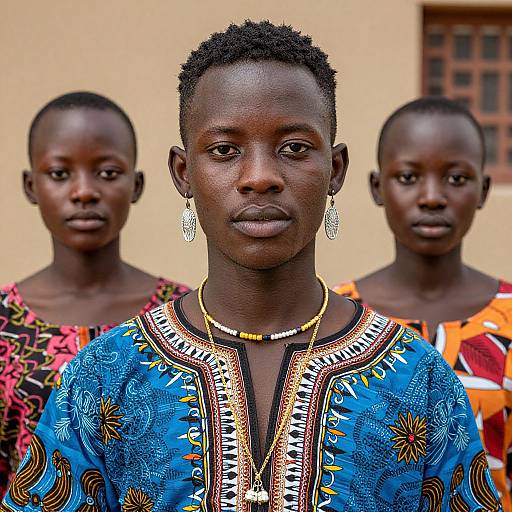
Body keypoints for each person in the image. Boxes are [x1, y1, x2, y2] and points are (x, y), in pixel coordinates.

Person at [2, 24, 501, 512]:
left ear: (336, 169)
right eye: (224, 150)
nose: (260, 177)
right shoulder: (104, 377)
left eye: (294, 149)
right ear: (184, 173)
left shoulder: (420, 380)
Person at [0, 92, 189, 497]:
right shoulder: (3, 323)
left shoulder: (182, 314)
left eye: (106, 172)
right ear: (30, 186)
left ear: (135, 185)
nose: (84, 192)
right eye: (59, 173)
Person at [334, 96, 512, 509]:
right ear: (378, 187)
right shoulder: (337, 316)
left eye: (456, 178)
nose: (432, 197)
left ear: (483, 189)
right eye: (409, 176)